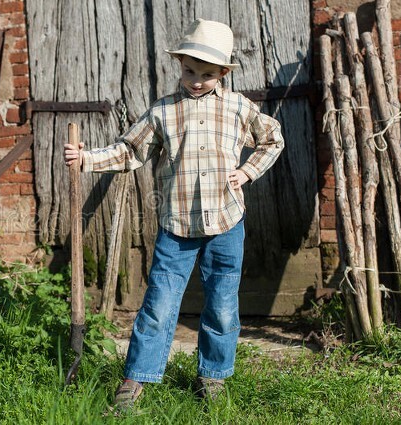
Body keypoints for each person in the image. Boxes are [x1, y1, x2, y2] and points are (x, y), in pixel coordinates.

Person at [64, 18, 284, 409]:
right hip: (177, 227)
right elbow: (130, 151)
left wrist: (248, 171)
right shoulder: (163, 112)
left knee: (221, 303)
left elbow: (273, 137)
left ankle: (213, 377)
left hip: (225, 223)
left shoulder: (237, 107)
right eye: (189, 70)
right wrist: (86, 159)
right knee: (159, 304)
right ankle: (136, 379)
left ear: (222, 73)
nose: (196, 79)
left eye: (207, 73)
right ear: (179, 65)